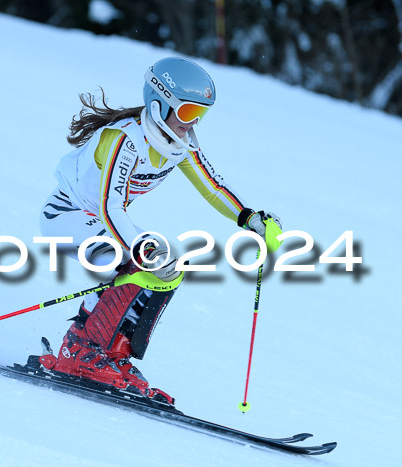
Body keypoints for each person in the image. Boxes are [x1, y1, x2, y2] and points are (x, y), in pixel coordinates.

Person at [38, 57, 282, 406]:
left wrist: (249, 218)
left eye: (202, 114)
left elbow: (212, 186)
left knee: (170, 268)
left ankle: (113, 353)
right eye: (187, 113)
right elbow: (110, 205)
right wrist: (139, 248)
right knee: (141, 263)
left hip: (105, 221)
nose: (193, 122)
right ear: (159, 104)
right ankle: (81, 349)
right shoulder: (125, 140)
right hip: (67, 216)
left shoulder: (179, 143)